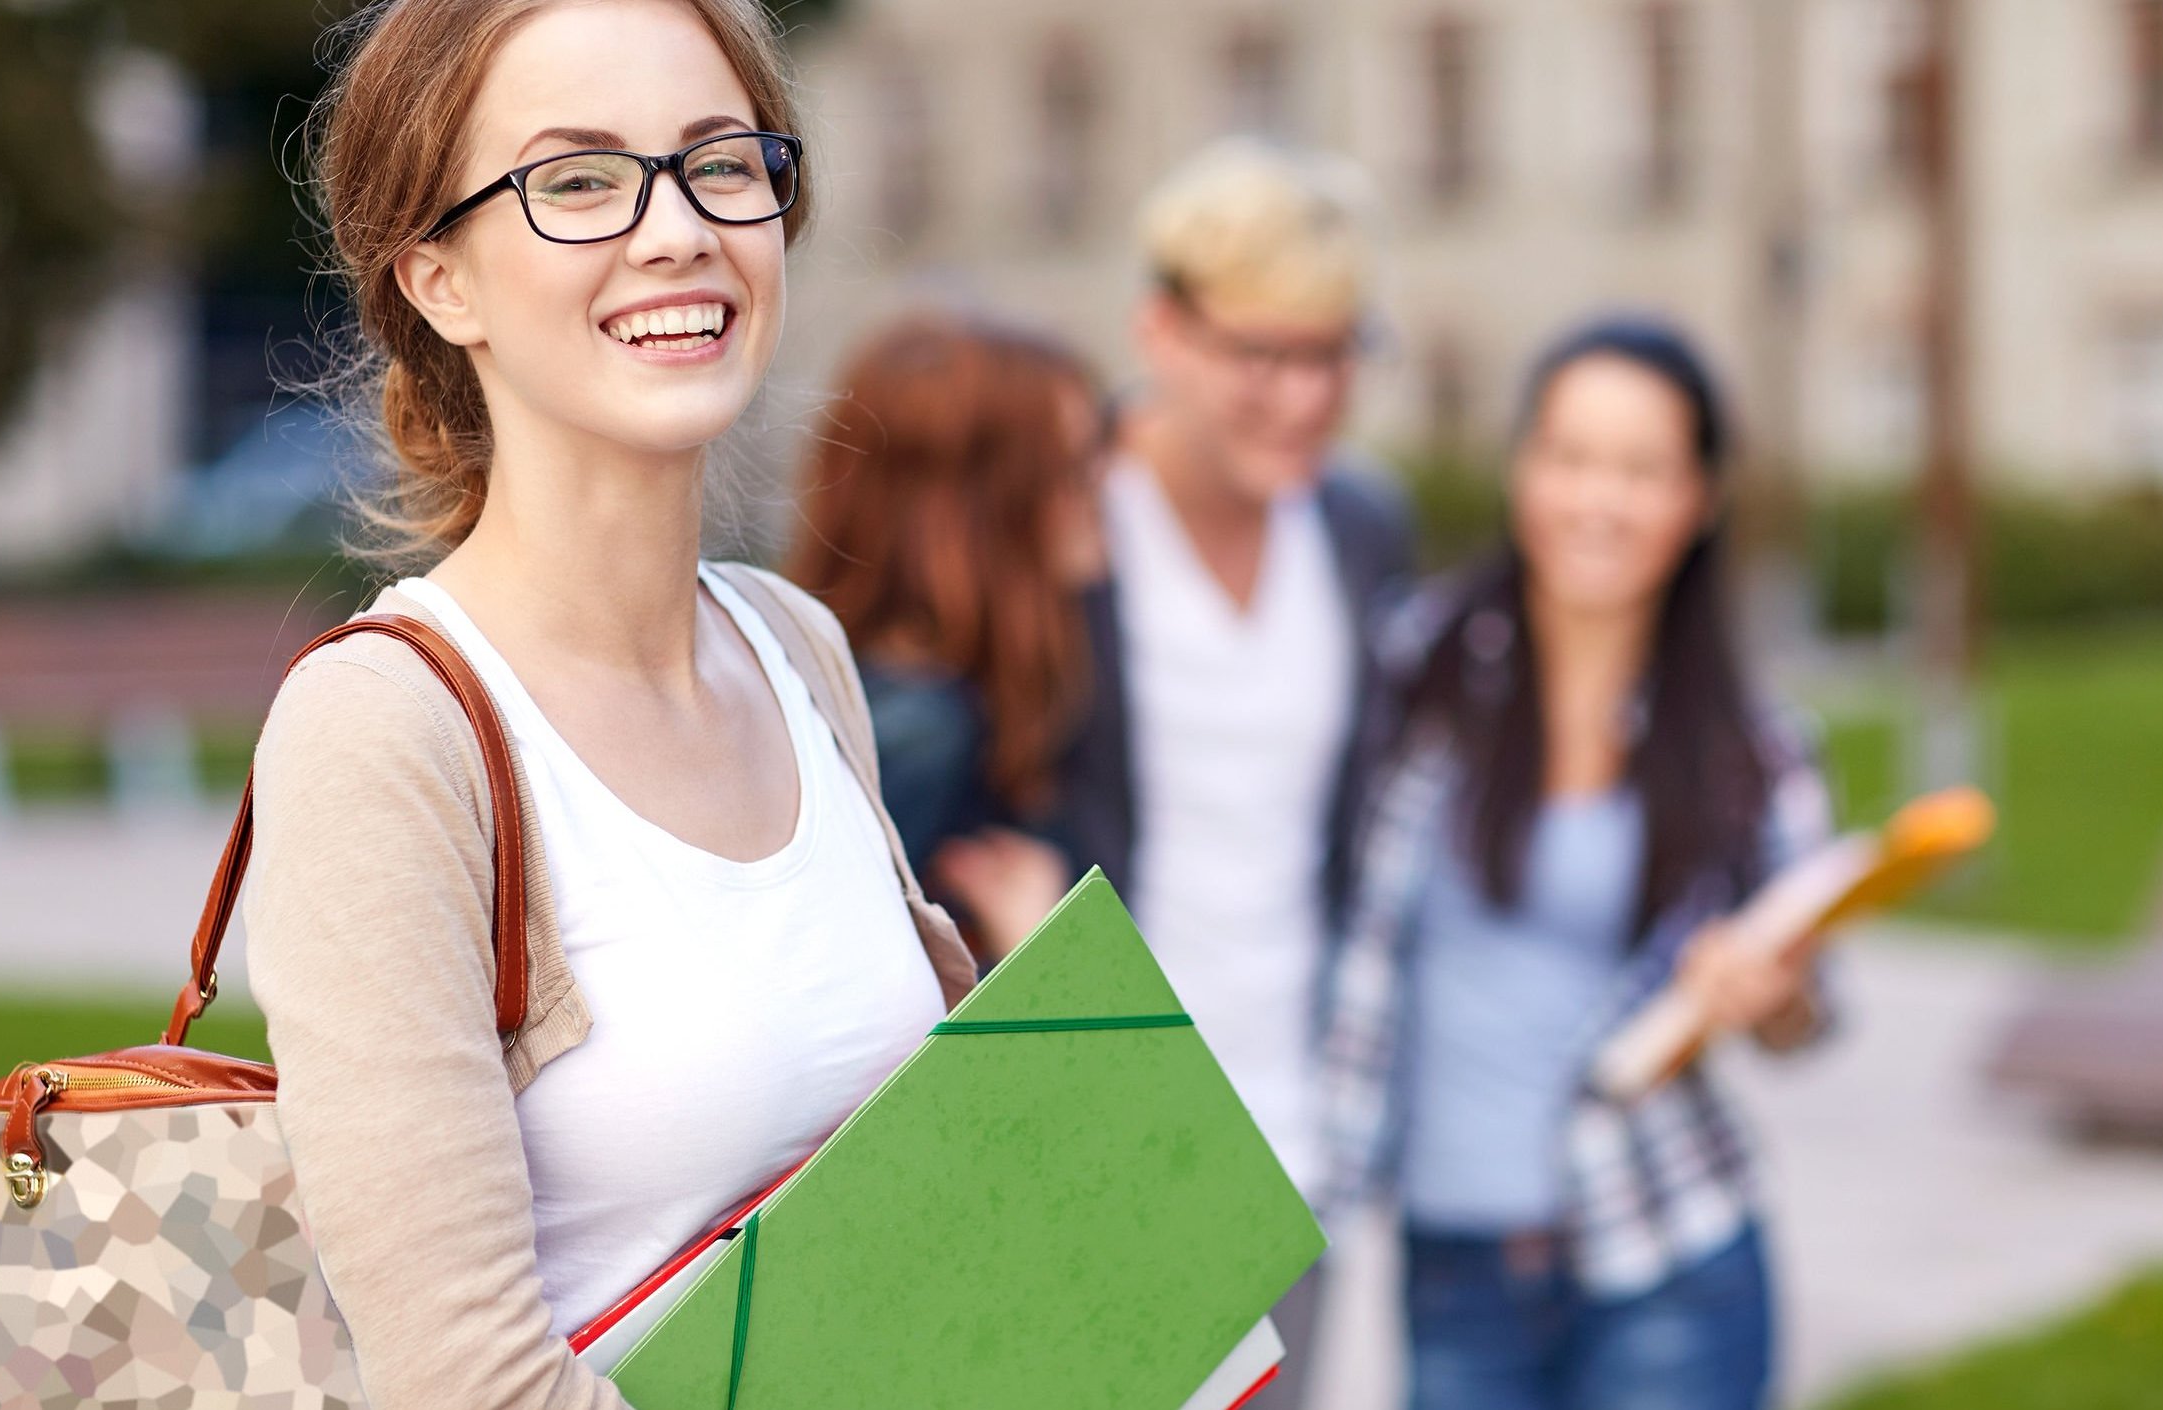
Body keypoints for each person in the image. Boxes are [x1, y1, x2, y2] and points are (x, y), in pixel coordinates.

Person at [242, 2, 974, 1405]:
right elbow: (471, 1384)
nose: (679, 228)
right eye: (577, 179)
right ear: (438, 278)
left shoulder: (795, 648)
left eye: (721, 162)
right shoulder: (386, 735)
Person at [1316, 317, 1836, 1410]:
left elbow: (1808, 1013)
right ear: (1523, 470)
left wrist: (1769, 994)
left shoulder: (1752, 750)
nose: (1599, 500)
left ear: (1700, 498)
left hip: (1668, 1259)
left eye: (1642, 470)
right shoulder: (1414, 674)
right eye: (1571, 458)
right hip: (1454, 1268)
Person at [1058, 138, 1414, 1402]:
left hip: (1288, 1140)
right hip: (1091, 1133)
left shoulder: (1364, 529)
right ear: (1162, 329)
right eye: (1262, 355)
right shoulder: (1068, 516)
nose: (1306, 398)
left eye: (1334, 354)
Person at [784, 315, 1108, 961]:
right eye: (1073, 469)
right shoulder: (914, 731)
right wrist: (1041, 954)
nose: (1102, 492)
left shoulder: (943, 698)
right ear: (976, 506)